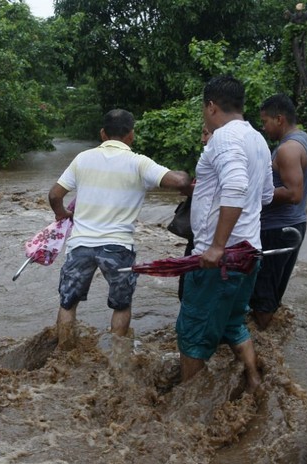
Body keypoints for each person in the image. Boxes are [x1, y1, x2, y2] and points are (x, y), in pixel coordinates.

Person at [48, 108, 191, 349]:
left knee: (68, 304)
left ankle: (64, 353)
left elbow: (54, 195)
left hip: (80, 244)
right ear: (131, 135)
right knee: (121, 306)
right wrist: (185, 176)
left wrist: (62, 214)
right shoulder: (139, 163)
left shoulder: (82, 159)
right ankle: (117, 358)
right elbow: (180, 181)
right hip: (118, 247)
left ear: (103, 134)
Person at [176, 75, 274, 393]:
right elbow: (266, 196)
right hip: (249, 254)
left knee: (192, 333)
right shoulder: (258, 140)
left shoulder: (223, 138)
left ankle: (189, 408)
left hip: (221, 259)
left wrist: (217, 246)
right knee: (233, 323)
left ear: (211, 106)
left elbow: (235, 185)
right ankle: (254, 381)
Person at [249, 93, 307, 330]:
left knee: (263, 291)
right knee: (274, 288)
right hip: (295, 225)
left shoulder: (287, 149)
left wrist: (255, 194)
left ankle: (261, 339)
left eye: (265, 121)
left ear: (279, 119)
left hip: (276, 229)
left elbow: (293, 193)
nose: (263, 127)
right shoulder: (306, 141)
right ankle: (270, 335)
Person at [177, 124, 213, 301]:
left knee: (189, 292)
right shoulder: (207, 159)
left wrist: (188, 188)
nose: (202, 139)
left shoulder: (221, 160)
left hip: (207, 240)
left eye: (206, 134)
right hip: (199, 236)